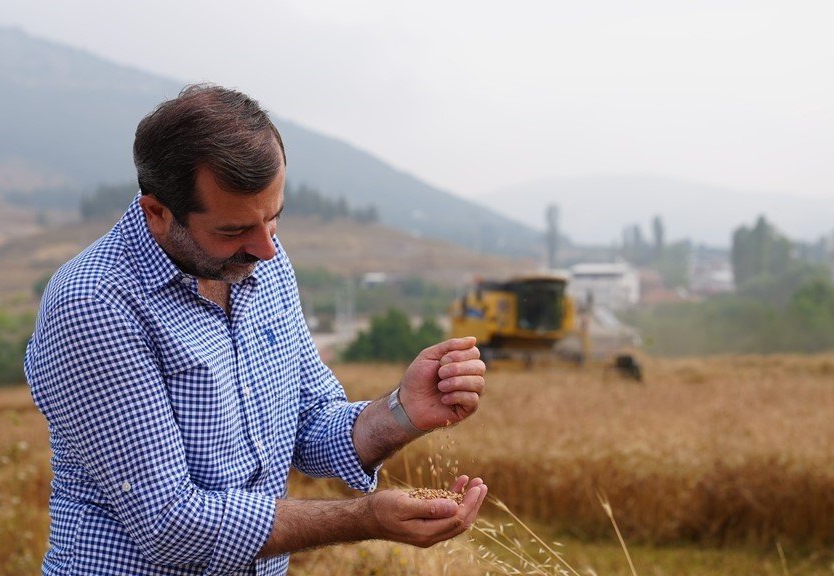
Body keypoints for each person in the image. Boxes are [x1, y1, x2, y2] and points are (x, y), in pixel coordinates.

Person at [24, 84, 488, 575]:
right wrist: (366, 517)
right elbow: (171, 526)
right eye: (233, 230)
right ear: (158, 213)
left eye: (274, 219)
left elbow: (310, 426)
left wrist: (402, 412)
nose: (266, 248)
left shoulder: (259, 261)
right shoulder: (94, 304)